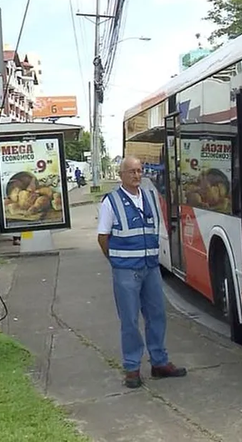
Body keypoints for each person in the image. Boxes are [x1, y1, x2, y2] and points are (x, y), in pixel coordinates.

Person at [97, 155, 187, 388]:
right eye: (131, 172)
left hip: (150, 268)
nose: (136, 175)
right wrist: (116, 260)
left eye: (139, 171)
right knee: (129, 320)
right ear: (121, 175)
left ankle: (159, 363)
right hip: (126, 271)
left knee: (157, 316)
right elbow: (102, 237)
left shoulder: (149, 198)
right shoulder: (111, 202)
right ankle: (132, 368)